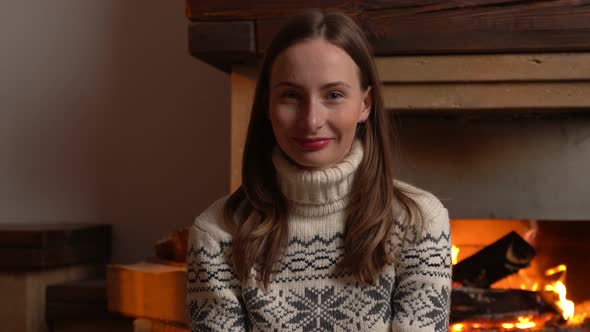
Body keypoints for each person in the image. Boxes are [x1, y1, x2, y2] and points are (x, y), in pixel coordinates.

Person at [186, 10, 451, 332]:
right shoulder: (215, 234)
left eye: (334, 95)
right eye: (291, 96)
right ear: (268, 105)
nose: (311, 120)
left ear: (365, 105)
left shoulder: (419, 220)